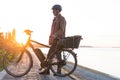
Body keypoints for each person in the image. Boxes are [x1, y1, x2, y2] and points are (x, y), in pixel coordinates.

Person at [39, 4, 66, 75]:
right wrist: (51, 37)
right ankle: (48, 70)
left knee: (55, 56)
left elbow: (62, 30)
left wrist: (54, 35)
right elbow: (52, 30)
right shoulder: (54, 19)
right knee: (50, 56)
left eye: (53, 10)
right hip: (54, 40)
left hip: (59, 40)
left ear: (57, 10)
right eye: (53, 10)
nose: (52, 12)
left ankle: (56, 71)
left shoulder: (62, 19)